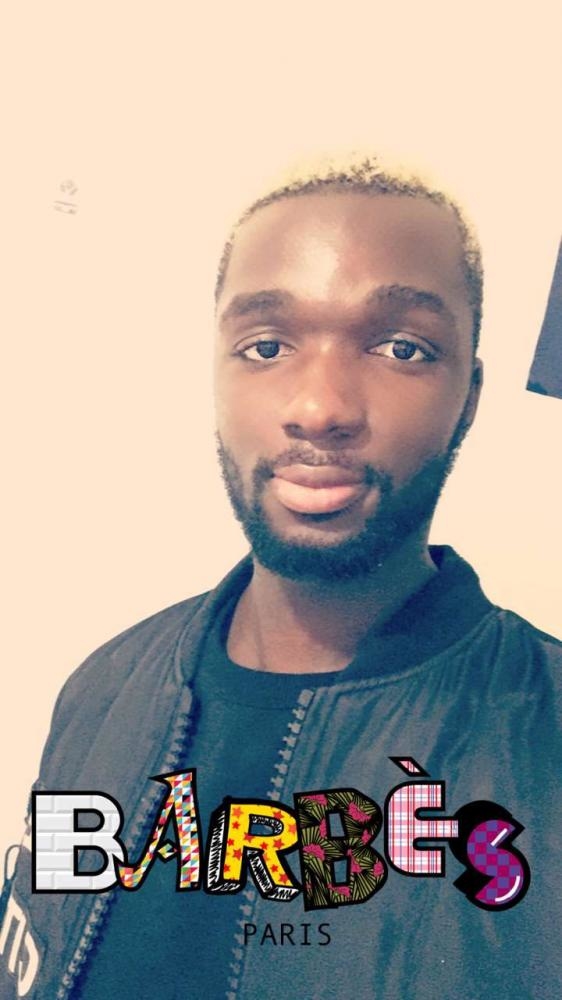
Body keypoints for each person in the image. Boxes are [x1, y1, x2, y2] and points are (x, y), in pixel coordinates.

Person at [1, 157, 560, 1000]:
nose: (318, 407)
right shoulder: (102, 686)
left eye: (402, 348)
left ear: (469, 397)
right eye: (265, 347)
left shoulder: (545, 738)